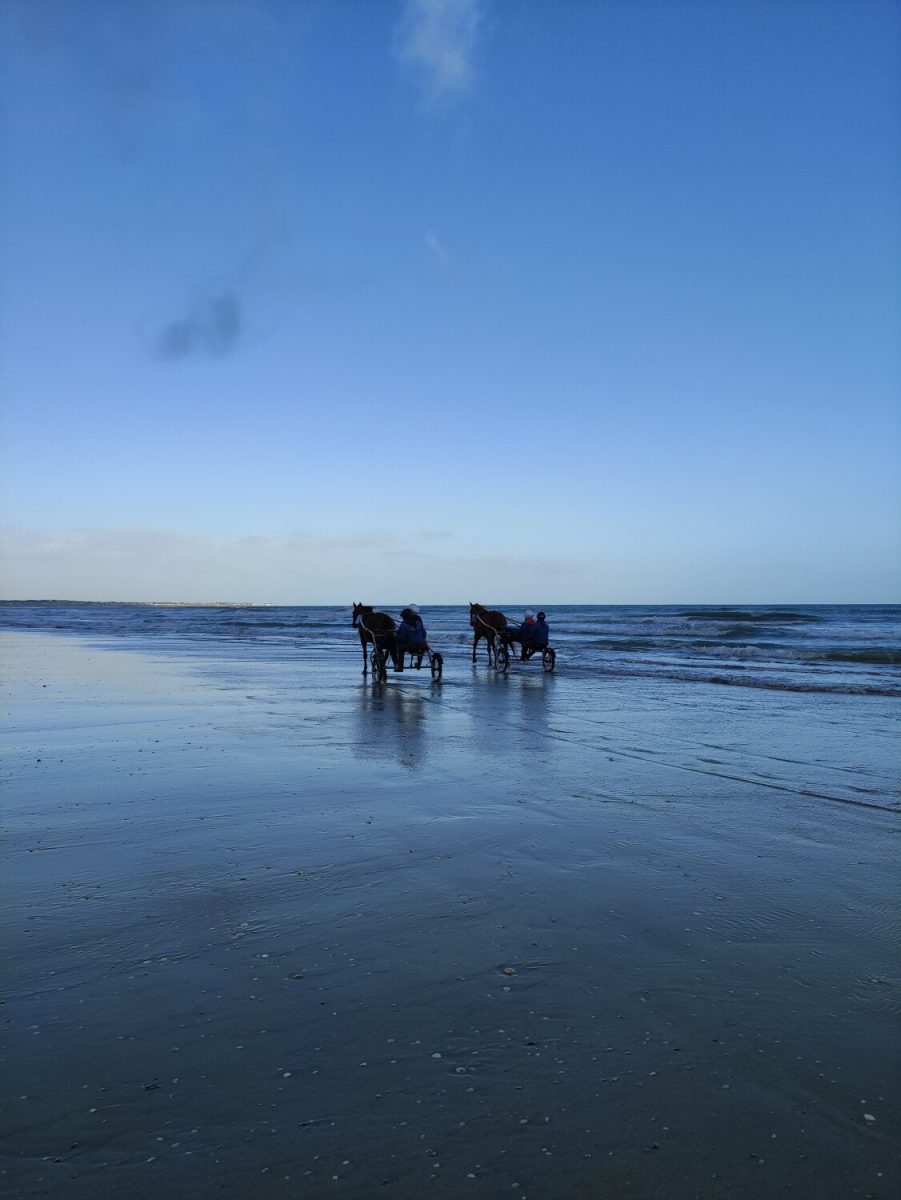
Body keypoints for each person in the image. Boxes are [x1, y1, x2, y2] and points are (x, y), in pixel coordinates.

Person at [393, 604, 427, 671]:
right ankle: (419, 665)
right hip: (422, 645)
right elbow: (424, 633)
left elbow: (402, 638)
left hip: (411, 646)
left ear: (404, 617)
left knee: (400, 649)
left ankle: (400, 667)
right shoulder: (419, 623)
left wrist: (395, 635)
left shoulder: (404, 625)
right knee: (421, 647)